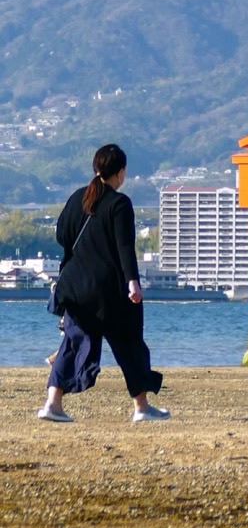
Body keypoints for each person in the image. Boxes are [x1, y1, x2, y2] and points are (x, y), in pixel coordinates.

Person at [38, 144, 166, 424]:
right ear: (120, 172)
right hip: (108, 291)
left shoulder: (76, 199)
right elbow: (125, 247)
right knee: (129, 344)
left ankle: (52, 403)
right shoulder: (119, 204)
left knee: (72, 344)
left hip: (74, 287)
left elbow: (62, 236)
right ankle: (141, 408)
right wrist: (133, 282)